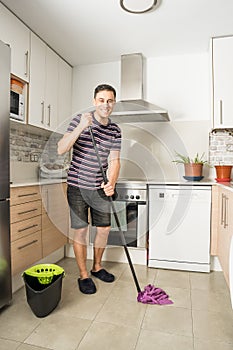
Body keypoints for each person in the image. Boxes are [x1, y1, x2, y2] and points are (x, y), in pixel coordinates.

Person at [57, 84, 121, 294]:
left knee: (103, 229)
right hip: (77, 186)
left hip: (99, 187)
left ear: (114, 103)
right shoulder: (80, 120)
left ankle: (97, 267)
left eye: (110, 100)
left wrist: (111, 182)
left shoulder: (115, 130)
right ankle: (84, 275)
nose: (106, 104)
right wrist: (80, 127)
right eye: (101, 100)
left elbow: (115, 161)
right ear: (95, 101)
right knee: (81, 231)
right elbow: (61, 149)